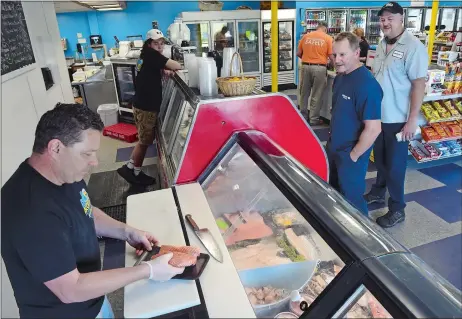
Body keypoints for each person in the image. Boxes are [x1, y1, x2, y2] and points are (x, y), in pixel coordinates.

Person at [1, 104, 185, 318]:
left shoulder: (64, 173)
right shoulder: (30, 210)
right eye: (87, 153)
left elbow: (85, 210)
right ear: (56, 148)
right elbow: (70, 290)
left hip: (93, 298)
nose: (95, 162)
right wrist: (149, 270)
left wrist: (127, 231)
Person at [364, 2, 428, 228]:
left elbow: (419, 84)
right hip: (378, 117)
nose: (385, 22)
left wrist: (412, 120)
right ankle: (378, 192)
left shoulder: (413, 47)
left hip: (398, 120)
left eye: (390, 18)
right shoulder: (381, 45)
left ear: (402, 18)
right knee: (379, 159)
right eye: (382, 19)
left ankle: (398, 208)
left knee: (395, 166)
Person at [327, 32, 383, 215]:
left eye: (343, 55)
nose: (337, 60)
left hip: (350, 155)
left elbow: (374, 129)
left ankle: (364, 241)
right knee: (333, 194)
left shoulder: (367, 85)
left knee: (353, 203)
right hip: (334, 149)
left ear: (357, 53)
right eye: (335, 55)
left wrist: (353, 156)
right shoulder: (340, 77)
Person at [117, 29, 182, 186]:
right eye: (156, 43)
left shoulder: (145, 55)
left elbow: (150, 70)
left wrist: (163, 70)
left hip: (142, 103)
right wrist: (168, 65)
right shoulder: (153, 55)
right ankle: (130, 169)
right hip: (146, 106)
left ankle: (134, 169)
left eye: (161, 43)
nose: (159, 46)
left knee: (144, 139)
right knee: (144, 141)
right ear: (149, 44)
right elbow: (177, 65)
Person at [297, 22, 334, 125]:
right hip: (319, 68)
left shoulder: (306, 36)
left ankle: (303, 117)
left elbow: (298, 53)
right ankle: (313, 119)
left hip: (305, 66)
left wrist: (307, 60)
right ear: (325, 29)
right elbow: (331, 56)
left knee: (304, 93)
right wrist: (335, 66)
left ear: (317, 28)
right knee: (316, 94)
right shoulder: (328, 38)